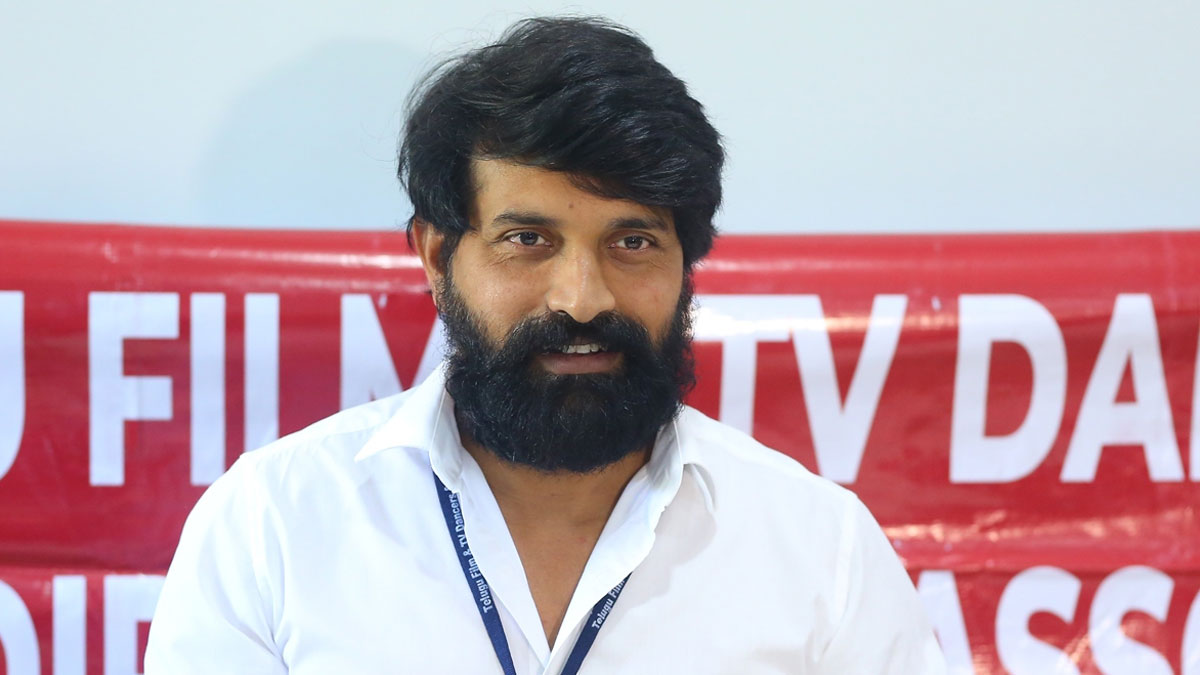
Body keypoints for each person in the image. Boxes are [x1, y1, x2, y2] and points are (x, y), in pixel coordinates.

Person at [146, 16, 947, 674]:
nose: (582, 297)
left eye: (633, 242)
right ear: (437, 256)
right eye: (528, 239)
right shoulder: (273, 524)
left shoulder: (819, 546)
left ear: (687, 264)